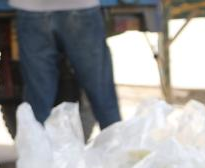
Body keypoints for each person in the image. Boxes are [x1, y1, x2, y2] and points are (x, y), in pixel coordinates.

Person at [11, 0, 122, 128]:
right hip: (81, 7)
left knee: (38, 96)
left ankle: (33, 145)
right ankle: (117, 143)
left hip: (30, 8)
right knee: (102, 92)